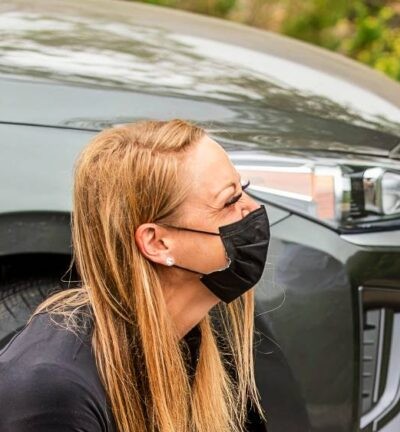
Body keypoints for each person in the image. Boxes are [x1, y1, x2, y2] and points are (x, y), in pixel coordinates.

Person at [0, 120, 270, 431]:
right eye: (230, 201)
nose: (253, 209)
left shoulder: (199, 345)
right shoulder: (54, 393)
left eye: (243, 190)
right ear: (157, 242)